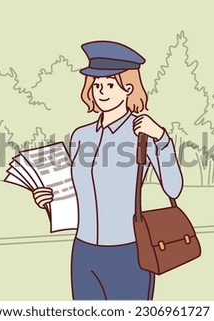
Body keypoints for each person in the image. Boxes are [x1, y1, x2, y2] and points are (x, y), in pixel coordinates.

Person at [32, 40, 183, 300]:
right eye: (97, 85)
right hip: (83, 252)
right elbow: (78, 195)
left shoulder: (143, 134)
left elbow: (174, 187)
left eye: (110, 85)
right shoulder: (81, 136)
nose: (101, 91)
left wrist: (161, 138)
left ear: (128, 88)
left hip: (128, 252)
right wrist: (50, 201)